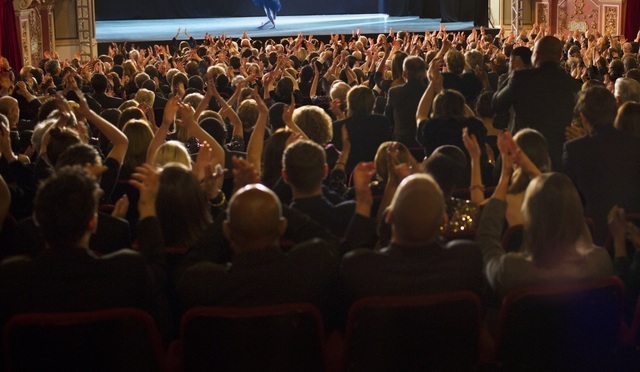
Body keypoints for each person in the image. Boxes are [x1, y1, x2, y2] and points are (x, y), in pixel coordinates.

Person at [476, 133, 612, 296]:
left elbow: (487, 242)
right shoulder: (599, 262)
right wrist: (532, 170)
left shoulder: (513, 271)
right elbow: (572, 218)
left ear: (530, 218)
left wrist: (505, 176)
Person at [340, 172, 483, 302]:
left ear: (389, 217)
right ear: (443, 220)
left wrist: (363, 205)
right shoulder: (467, 260)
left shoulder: (361, 269)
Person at [563, 86, 640, 245]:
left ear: (583, 117)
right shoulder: (635, 144)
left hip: (593, 237)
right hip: (634, 233)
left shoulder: (574, 149)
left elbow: (569, 199)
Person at [492, 36, 581, 171]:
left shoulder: (521, 78)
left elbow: (496, 104)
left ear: (536, 54)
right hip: (556, 159)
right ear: (560, 57)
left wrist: (512, 74)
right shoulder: (573, 84)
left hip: (522, 156)